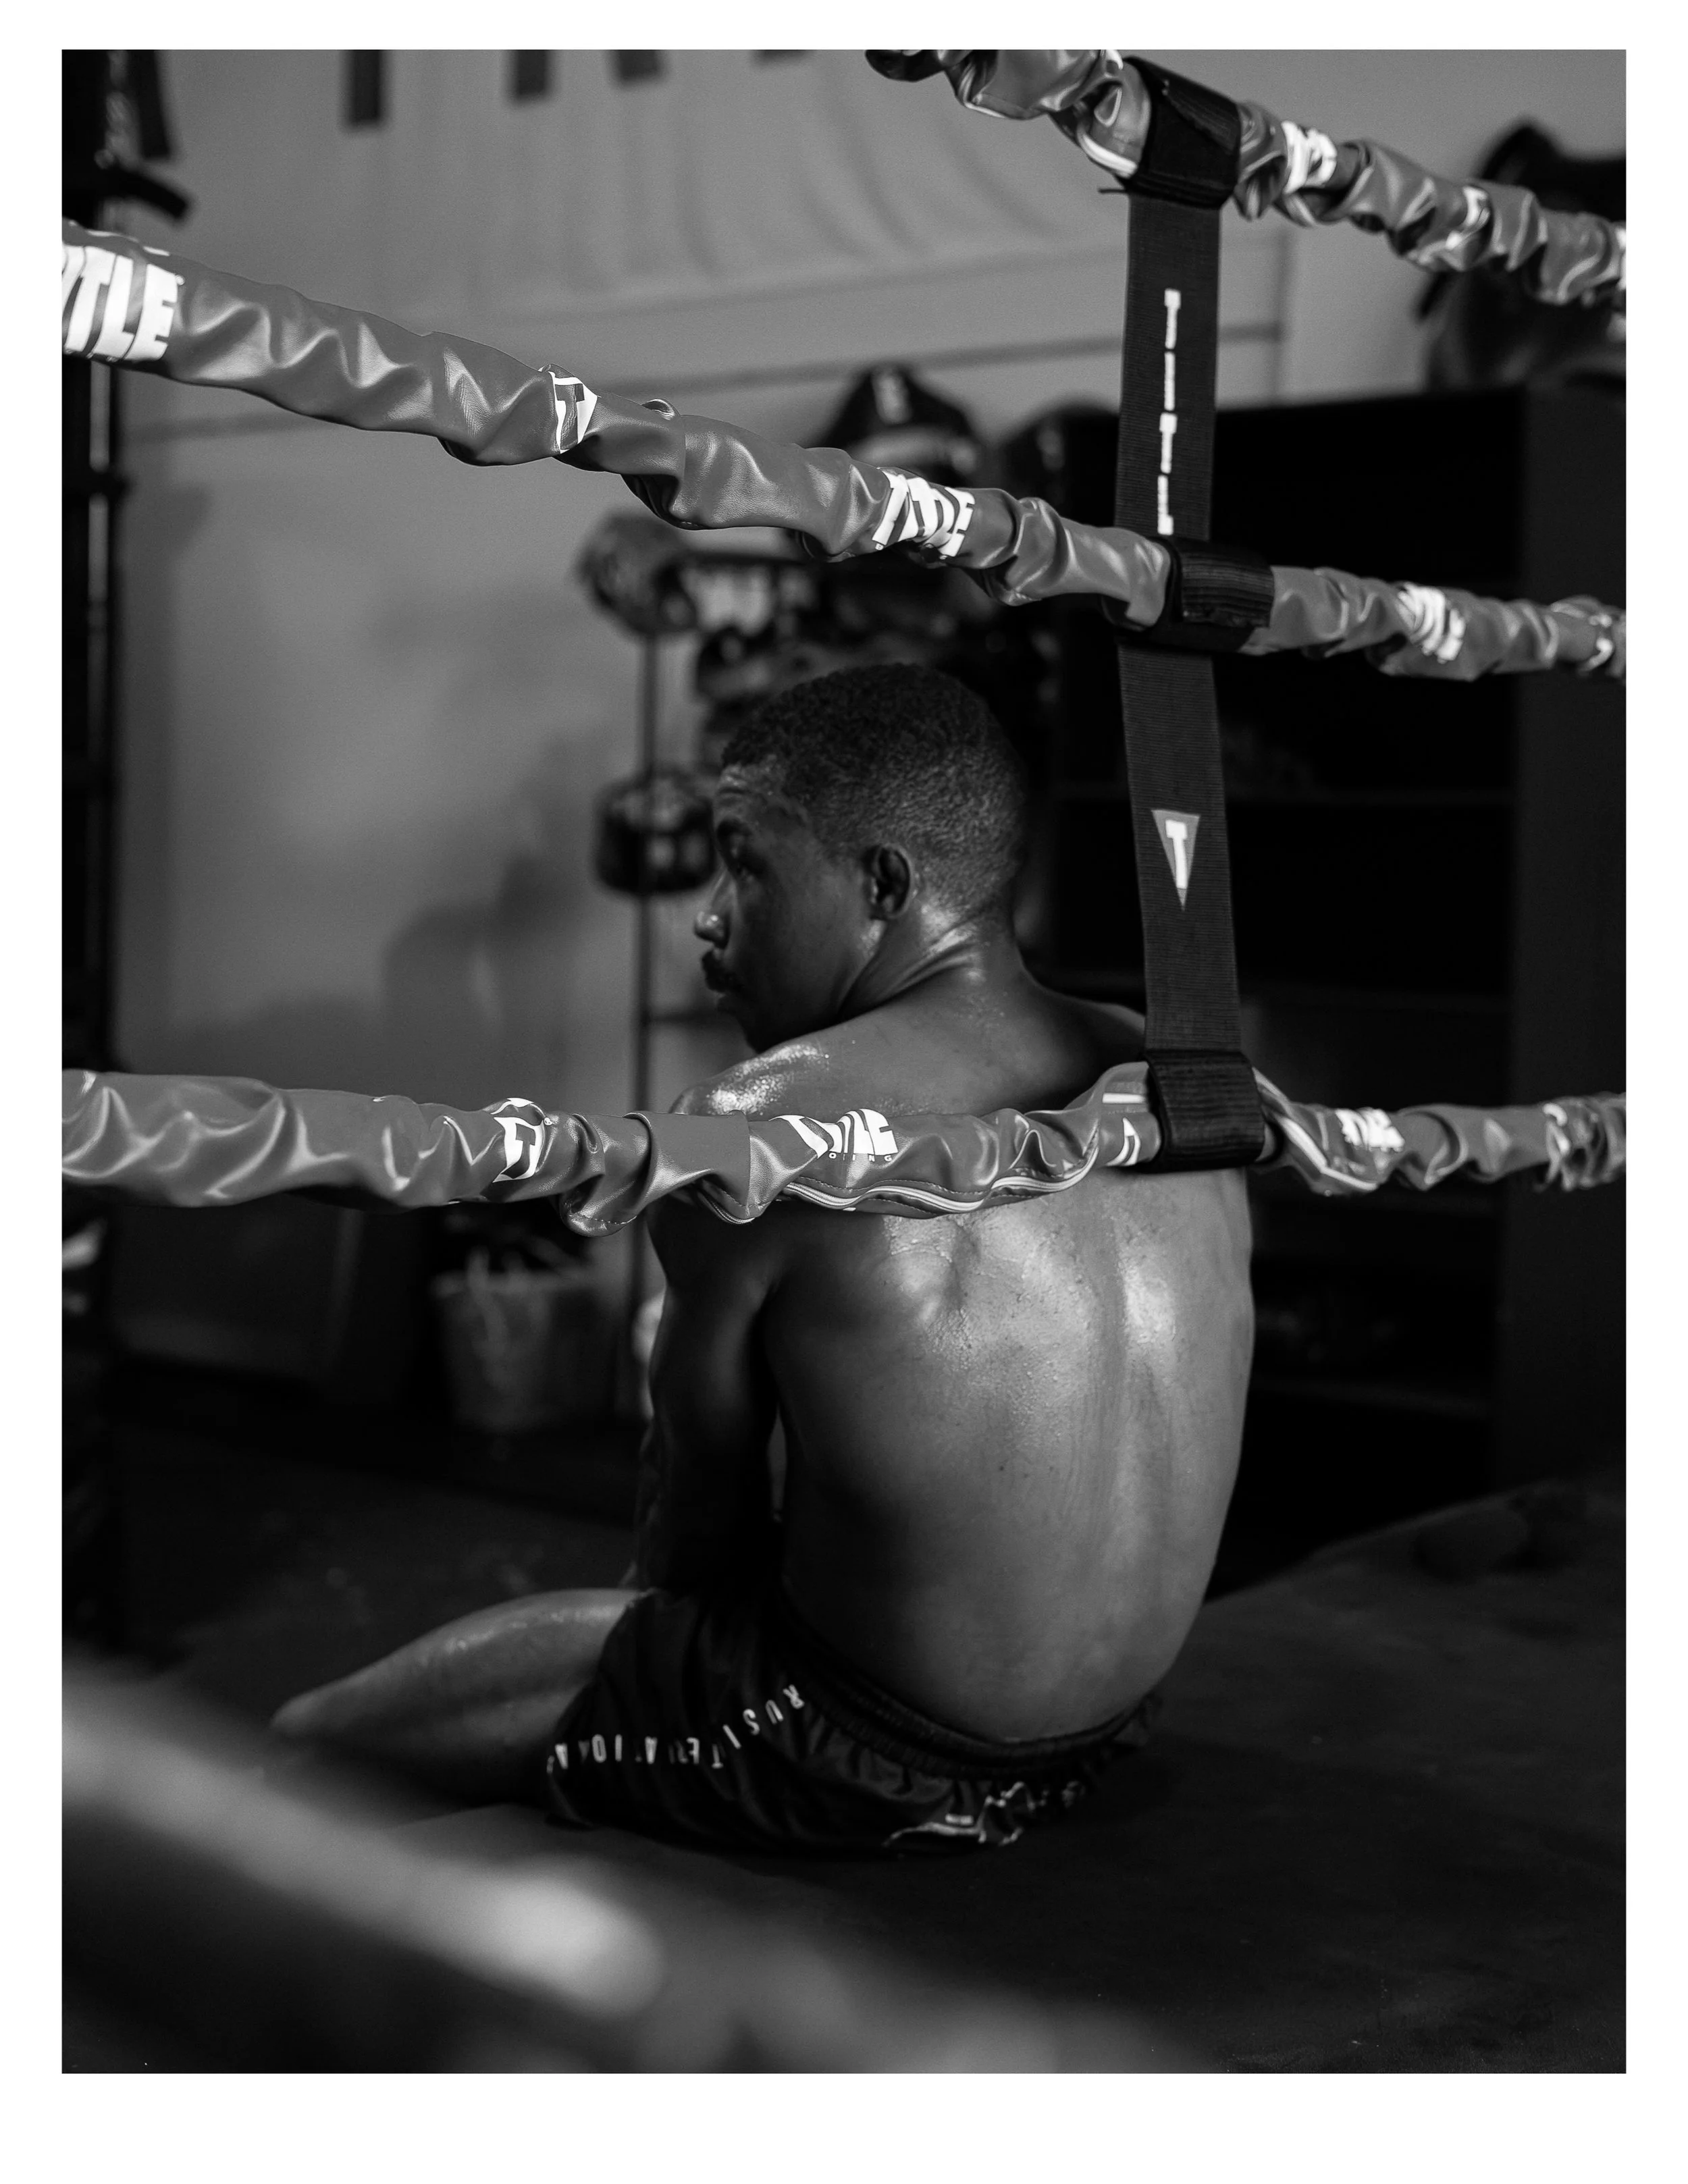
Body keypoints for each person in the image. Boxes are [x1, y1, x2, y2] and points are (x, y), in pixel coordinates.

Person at [272, 665, 1254, 1853]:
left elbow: (693, 1543)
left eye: (746, 862)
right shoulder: (1184, 1083)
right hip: (1110, 1728)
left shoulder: (757, 1132)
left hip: (868, 1742)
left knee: (299, 1744)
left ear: (883, 883)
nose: (709, 912)